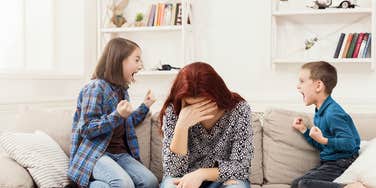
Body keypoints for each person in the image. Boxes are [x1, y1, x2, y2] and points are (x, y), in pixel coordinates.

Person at [68, 38, 159, 188]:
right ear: (119, 61)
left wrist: (145, 105)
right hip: (96, 154)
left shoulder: (122, 91)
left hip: (120, 154)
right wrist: (116, 116)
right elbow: (86, 128)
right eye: (136, 60)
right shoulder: (95, 87)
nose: (141, 65)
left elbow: (126, 121)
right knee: (123, 184)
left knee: (150, 182)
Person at [159, 62, 253, 188]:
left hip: (223, 179)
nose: (197, 111)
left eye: (204, 105)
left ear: (217, 95)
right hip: (184, 177)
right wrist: (181, 126)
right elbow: (173, 171)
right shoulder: (174, 111)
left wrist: (202, 174)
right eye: (191, 105)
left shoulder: (239, 109)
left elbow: (241, 167)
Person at [291, 61, 365, 188]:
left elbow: (350, 143)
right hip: (329, 162)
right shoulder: (320, 111)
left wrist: (324, 140)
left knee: (304, 185)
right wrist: (304, 130)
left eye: (302, 81)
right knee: (296, 184)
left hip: (342, 162)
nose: (298, 86)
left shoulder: (333, 113)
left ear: (318, 86)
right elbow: (322, 144)